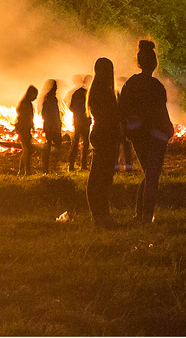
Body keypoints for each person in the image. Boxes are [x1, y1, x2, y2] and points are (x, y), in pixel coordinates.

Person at [118, 40, 174, 224]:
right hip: (156, 133)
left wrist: (128, 129)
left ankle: (140, 213)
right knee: (152, 175)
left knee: (149, 173)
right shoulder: (156, 86)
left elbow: (123, 109)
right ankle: (146, 216)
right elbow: (160, 110)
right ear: (154, 63)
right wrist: (168, 129)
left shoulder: (131, 84)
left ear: (139, 62)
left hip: (137, 133)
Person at [85, 58, 121, 226]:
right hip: (106, 134)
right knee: (103, 176)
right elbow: (110, 116)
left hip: (100, 133)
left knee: (99, 174)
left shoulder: (96, 90)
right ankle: (101, 214)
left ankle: (99, 213)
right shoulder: (104, 92)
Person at [68, 78, 91, 171]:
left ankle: (72, 165)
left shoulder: (76, 93)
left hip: (78, 122)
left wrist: (77, 114)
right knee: (85, 144)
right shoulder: (87, 93)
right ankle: (83, 165)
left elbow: (71, 107)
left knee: (75, 144)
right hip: (84, 122)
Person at [41, 79, 63, 174]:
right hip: (52, 126)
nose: (57, 88)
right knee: (55, 146)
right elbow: (51, 114)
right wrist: (56, 123)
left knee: (49, 147)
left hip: (50, 126)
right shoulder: (51, 99)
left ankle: (47, 168)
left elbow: (44, 113)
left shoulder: (47, 98)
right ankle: (51, 167)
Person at [15, 84, 38, 174]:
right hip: (23, 129)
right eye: (34, 95)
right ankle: (26, 171)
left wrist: (31, 125)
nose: (35, 98)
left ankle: (21, 171)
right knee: (27, 150)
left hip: (24, 129)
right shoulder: (26, 104)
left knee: (25, 150)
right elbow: (25, 117)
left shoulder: (26, 103)